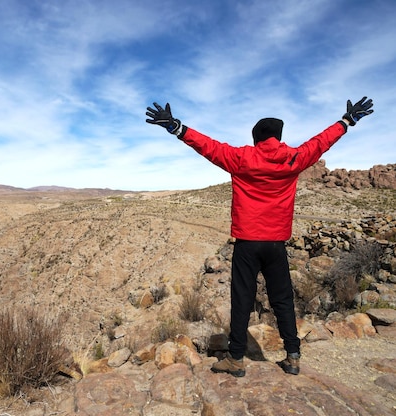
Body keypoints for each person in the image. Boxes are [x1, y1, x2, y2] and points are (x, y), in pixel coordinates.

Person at [146, 97, 374, 377]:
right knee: (283, 300)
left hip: (247, 244)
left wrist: (177, 128)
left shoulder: (243, 158)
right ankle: (292, 357)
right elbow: (320, 143)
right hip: (276, 244)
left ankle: (237, 359)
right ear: (278, 136)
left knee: (242, 299)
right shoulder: (294, 158)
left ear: (256, 138)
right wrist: (346, 121)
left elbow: (208, 147)